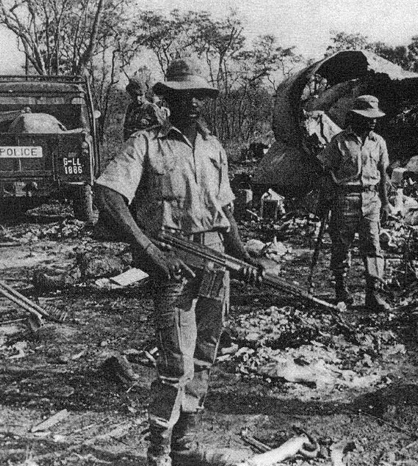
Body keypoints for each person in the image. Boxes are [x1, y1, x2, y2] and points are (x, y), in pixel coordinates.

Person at [96, 58, 263, 466]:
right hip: (174, 264)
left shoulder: (214, 147)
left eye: (199, 97)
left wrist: (245, 257)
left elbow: (225, 211)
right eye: (183, 97)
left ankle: (185, 443)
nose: (193, 104)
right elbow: (110, 195)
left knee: (205, 353)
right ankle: (159, 451)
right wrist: (150, 252)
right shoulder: (145, 143)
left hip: (215, 262)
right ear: (167, 99)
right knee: (175, 362)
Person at [317, 95, 393, 312]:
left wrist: (386, 203)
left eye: (375, 118)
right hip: (345, 199)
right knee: (341, 245)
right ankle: (341, 291)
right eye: (368, 117)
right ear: (356, 117)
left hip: (371, 200)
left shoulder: (378, 142)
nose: (373, 121)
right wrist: (325, 200)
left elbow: (383, 174)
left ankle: (373, 294)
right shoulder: (340, 141)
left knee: (373, 246)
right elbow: (326, 172)